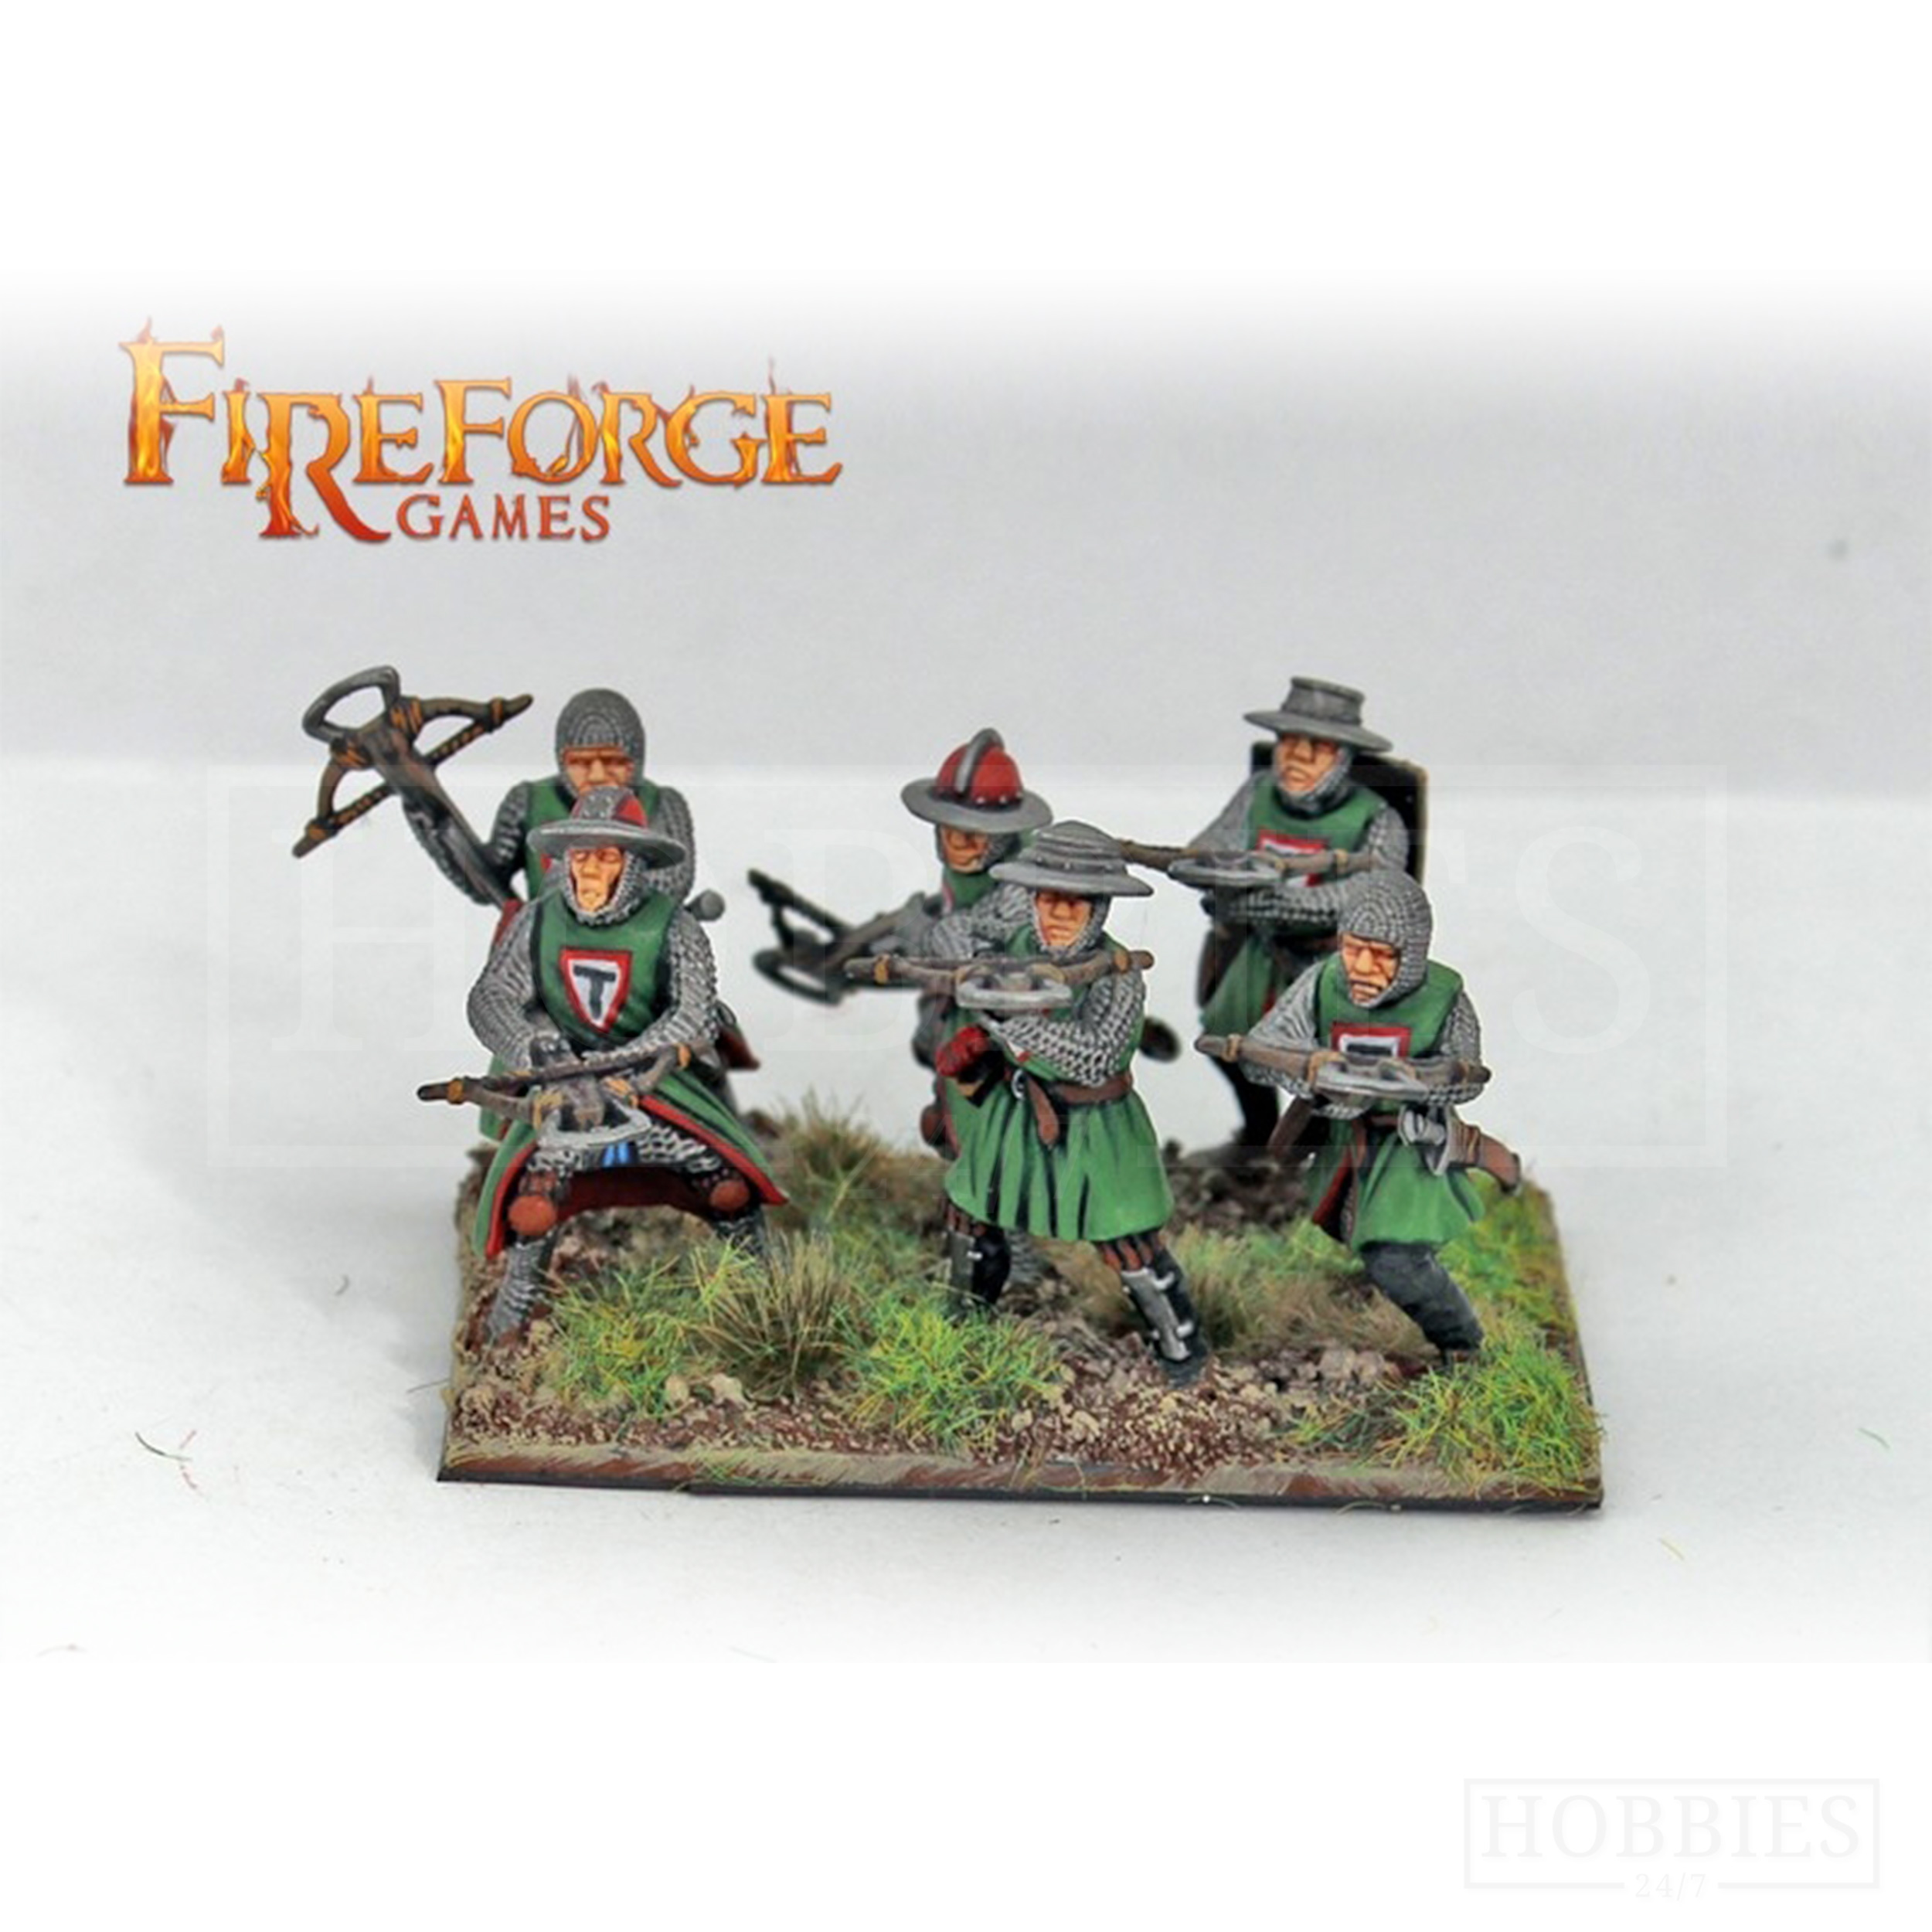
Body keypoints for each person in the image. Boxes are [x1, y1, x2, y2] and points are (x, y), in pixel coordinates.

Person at [465, 787, 782, 1338]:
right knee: (533, 1204)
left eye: (606, 857)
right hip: (564, 1086)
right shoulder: (537, 921)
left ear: (632, 864)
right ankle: (512, 1315)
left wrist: (626, 1066)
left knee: (728, 1187)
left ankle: (765, 1297)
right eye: (581, 856)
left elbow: (692, 1014)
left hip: (655, 1085)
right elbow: (492, 998)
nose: (590, 870)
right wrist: (536, 1046)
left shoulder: (674, 927)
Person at [930, 821, 1209, 1385]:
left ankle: (1181, 1350)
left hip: (1094, 1127)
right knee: (970, 1214)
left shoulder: (1117, 974)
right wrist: (973, 971)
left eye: (1074, 902)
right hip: (1015, 1118)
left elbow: (1095, 1057)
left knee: (1128, 1241)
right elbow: (953, 935)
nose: (1057, 912)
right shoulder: (1012, 944)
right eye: (1047, 897)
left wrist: (1013, 1021)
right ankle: (962, 1326)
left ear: (1098, 907)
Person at [1238, 867, 1488, 1357]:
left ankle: (1461, 1342)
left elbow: (1467, 1077)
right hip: (1346, 1141)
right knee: (1353, 1230)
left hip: (1408, 1145)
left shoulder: (1443, 997)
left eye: (1382, 954)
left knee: (1395, 1257)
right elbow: (1263, 1050)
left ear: (1411, 953)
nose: (1363, 966)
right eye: (1354, 949)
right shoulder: (1322, 981)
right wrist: (1314, 1072)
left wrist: (1413, 1081)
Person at [1192, 676, 1410, 1148]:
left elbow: (1377, 892)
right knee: (1227, 1042)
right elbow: (1207, 849)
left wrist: (1286, 902)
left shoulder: (1378, 819)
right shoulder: (1257, 794)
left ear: (1344, 756)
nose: (1299, 756)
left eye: (1319, 747)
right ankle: (1258, 1139)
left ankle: (1314, 1152)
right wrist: (1220, 880)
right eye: (1290, 741)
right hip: (1260, 951)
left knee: (1328, 1063)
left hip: (1336, 963)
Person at [410, 686, 696, 915]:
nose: (597, 775)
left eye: (612, 761)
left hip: (633, 947)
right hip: (548, 949)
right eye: (581, 763)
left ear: (635, 760)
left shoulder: (663, 804)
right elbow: (485, 879)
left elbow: (672, 884)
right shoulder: (528, 802)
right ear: (562, 759)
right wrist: (427, 816)